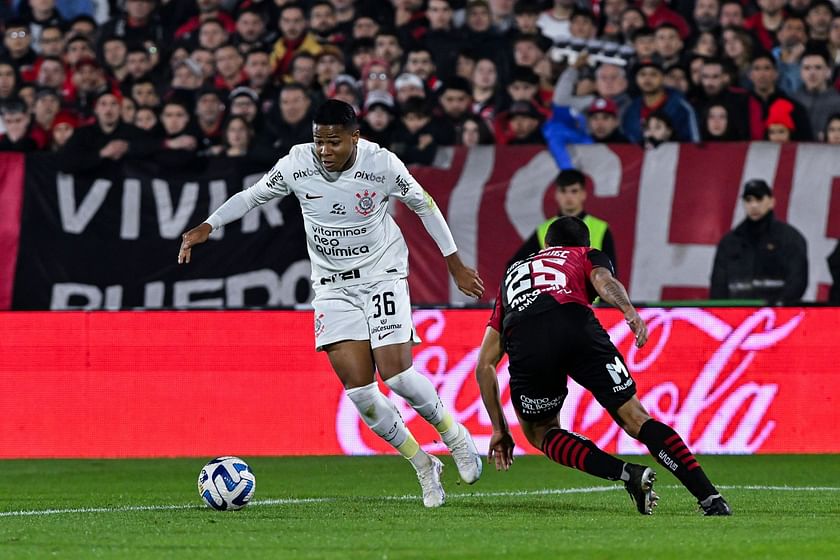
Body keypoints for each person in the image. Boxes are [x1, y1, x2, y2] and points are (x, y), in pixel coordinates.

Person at [178, 99, 485, 508]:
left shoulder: (382, 164)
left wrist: (455, 264)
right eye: (319, 141)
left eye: (334, 142)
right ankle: (424, 465)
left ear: (355, 137)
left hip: (382, 275)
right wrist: (208, 225)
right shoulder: (296, 164)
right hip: (331, 287)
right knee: (360, 393)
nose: (325, 150)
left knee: (396, 376)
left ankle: (454, 436)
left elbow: (424, 205)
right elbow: (251, 197)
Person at [475, 216, 732, 516]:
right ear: (585, 245)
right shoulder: (584, 255)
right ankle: (710, 498)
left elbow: (485, 365)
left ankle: (627, 474)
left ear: (546, 245)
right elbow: (603, 280)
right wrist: (628, 310)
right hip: (577, 325)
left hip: (527, 336)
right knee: (635, 418)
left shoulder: (512, 274)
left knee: (542, 432)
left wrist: (499, 428)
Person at [710, 179, 808, 304]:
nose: (754, 205)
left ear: (771, 202)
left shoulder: (790, 239)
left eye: (759, 199)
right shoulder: (729, 242)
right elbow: (718, 287)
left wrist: (778, 308)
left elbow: (797, 282)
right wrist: (722, 314)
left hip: (778, 318)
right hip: (737, 319)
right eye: (749, 200)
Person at [509, 169, 616, 270]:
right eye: (563, 191)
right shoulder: (542, 230)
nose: (568, 197)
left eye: (574, 191)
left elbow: (611, 269)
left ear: (583, 194)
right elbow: (515, 265)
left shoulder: (601, 228)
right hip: (553, 289)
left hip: (586, 289)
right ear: (556, 194)